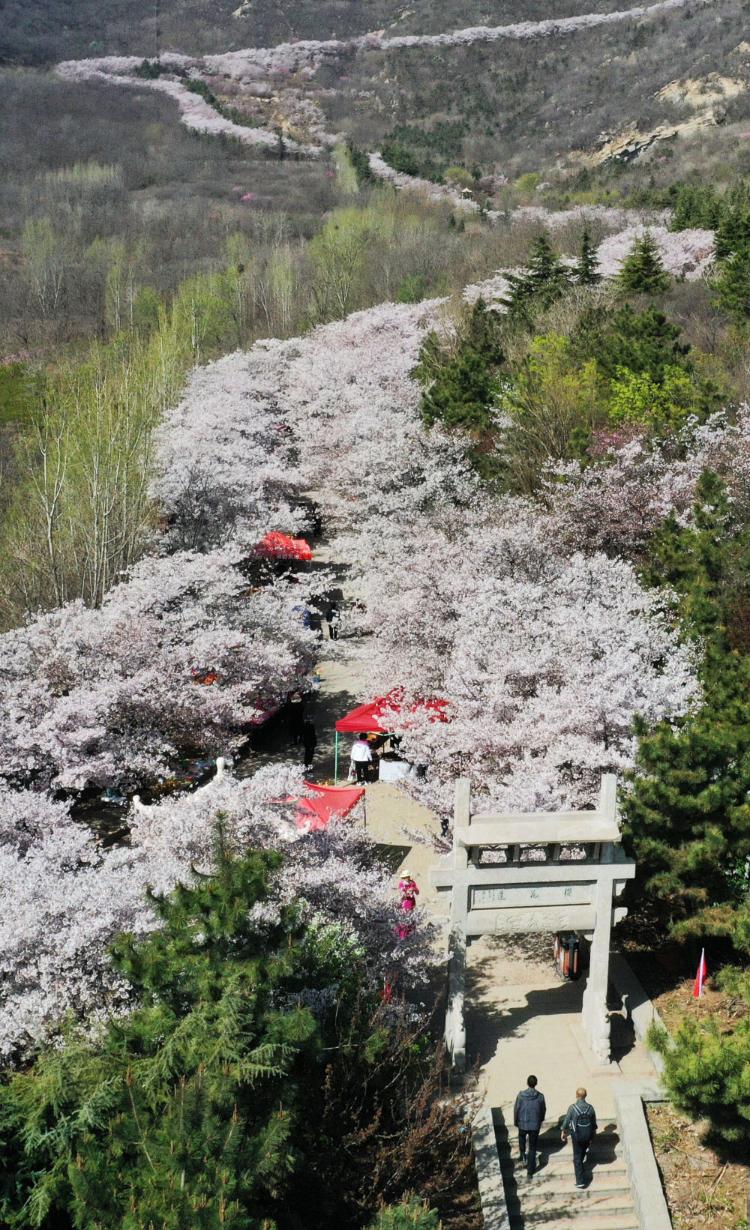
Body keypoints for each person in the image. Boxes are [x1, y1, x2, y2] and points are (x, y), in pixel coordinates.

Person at [561, 1087, 598, 1188]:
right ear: (585, 1096)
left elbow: (566, 1121)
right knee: (581, 1154)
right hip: (588, 1135)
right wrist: (593, 1135)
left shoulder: (572, 1108)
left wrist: (563, 1131)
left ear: (576, 1096)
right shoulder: (590, 1108)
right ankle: (581, 1168)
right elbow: (594, 1123)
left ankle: (580, 1181)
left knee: (577, 1158)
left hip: (577, 1136)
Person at [513, 1075, 546, 1177]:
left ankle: (522, 1155)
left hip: (522, 1123)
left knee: (521, 1138)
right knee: (532, 1148)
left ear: (527, 1083)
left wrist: (516, 1121)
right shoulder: (540, 1096)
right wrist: (540, 1120)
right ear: (535, 1084)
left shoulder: (520, 1095)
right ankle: (530, 1172)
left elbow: (516, 1109)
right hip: (535, 1125)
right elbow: (543, 1110)